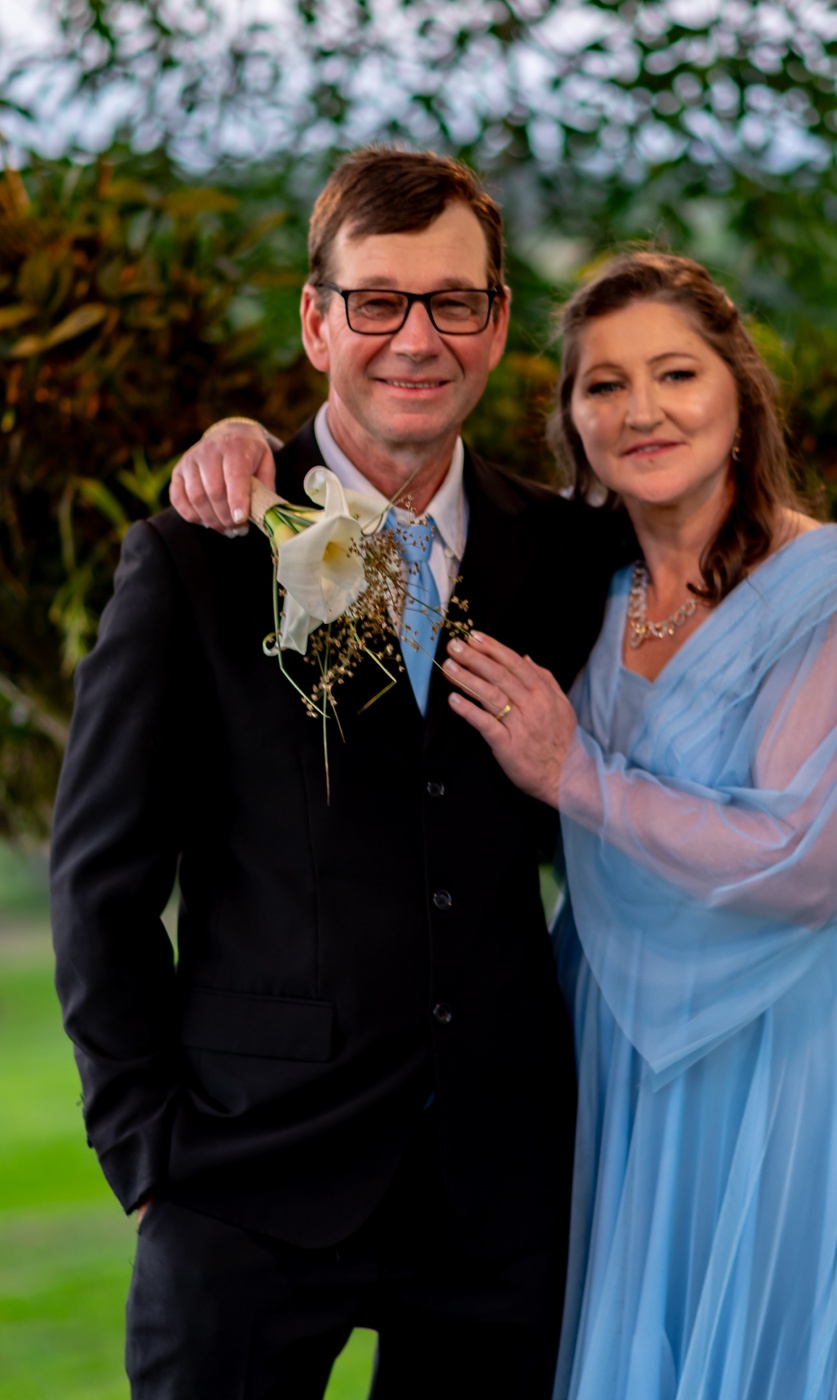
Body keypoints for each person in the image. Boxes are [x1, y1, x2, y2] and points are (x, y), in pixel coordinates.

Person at [50, 148, 619, 1400]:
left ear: (496, 323)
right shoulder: (196, 557)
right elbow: (100, 883)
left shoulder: (570, 556)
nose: (416, 338)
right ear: (317, 323)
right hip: (244, 1175)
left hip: (496, 1194)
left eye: (452, 301)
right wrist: (146, 1154)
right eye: (377, 301)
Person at [440, 252, 837, 1398]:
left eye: (675, 373)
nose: (641, 409)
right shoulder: (580, 585)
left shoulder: (828, 595)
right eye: (603, 384)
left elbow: (805, 863)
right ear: (571, 420)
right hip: (609, 1028)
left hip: (777, 1042)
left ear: (738, 393)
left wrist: (577, 775)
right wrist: (244, 447)